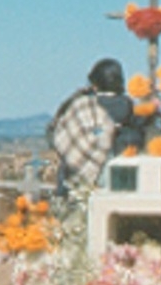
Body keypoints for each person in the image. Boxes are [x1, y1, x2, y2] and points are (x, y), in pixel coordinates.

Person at [48, 58, 144, 195]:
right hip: (118, 184)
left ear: (95, 83)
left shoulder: (80, 106)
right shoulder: (131, 109)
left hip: (77, 185)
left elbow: (59, 135)